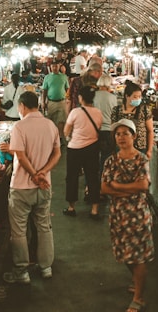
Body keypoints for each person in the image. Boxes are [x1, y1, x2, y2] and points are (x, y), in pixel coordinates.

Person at [3, 91, 62, 284]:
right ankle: (46, 267)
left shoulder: (19, 126)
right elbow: (57, 154)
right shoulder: (50, 125)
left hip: (21, 186)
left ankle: (22, 271)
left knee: (19, 231)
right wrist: (43, 173)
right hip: (44, 186)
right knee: (44, 226)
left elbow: (20, 156)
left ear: (22, 106)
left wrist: (35, 175)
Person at [101, 119, 154, 312]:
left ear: (134, 136)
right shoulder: (110, 160)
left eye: (125, 133)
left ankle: (139, 297)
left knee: (138, 256)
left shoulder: (141, 159)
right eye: (117, 134)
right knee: (125, 253)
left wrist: (118, 187)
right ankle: (136, 280)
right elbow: (104, 188)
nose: (121, 137)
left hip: (138, 214)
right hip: (119, 215)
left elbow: (143, 186)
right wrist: (127, 191)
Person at [63, 85, 103, 219]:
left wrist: (70, 136)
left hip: (75, 149)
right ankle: (94, 209)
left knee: (72, 177)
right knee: (92, 177)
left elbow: (66, 131)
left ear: (80, 98)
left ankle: (71, 207)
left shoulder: (75, 112)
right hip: (92, 148)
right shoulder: (98, 112)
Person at [111, 80, 155, 160]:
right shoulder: (116, 111)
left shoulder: (144, 110)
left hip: (140, 149)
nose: (138, 99)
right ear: (127, 96)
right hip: (122, 149)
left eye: (139, 96)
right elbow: (114, 131)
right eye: (135, 97)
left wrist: (149, 150)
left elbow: (150, 131)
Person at [94, 73, 119, 174]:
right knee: (106, 157)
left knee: (94, 157)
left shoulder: (93, 96)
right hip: (109, 131)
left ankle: (90, 182)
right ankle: (103, 179)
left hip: (95, 130)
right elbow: (115, 114)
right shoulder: (112, 97)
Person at [41, 61, 70, 140]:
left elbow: (67, 89)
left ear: (59, 66)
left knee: (61, 120)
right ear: (50, 67)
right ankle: (52, 136)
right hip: (51, 102)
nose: (54, 68)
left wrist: (68, 99)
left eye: (56, 66)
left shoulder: (64, 77)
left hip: (62, 101)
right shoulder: (47, 77)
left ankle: (60, 137)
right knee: (51, 120)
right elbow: (44, 90)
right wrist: (43, 102)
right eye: (53, 66)